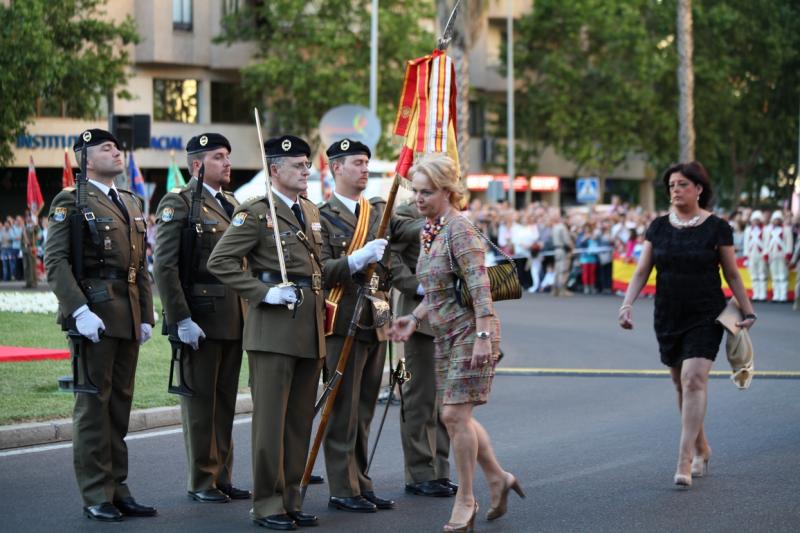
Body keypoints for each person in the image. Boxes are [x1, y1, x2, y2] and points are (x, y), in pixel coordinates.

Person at [390, 154, 524, 531]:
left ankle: (466, 501)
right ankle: (499, 478)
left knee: (451, 415)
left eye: (427, 192)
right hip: (447, 334)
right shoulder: (430, 230)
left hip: (472, 332)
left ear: (449, 191)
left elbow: (480, 287)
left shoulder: (459, 229)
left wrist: (483, 335)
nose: (419, 199)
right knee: (459, 415)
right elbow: (438, 292)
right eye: (416, 191)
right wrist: (412, 318)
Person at [207, 135, 324, 530]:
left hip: (308, 326)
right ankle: (267, 503)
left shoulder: (309, 210)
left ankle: (291, 498)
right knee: (271, 422)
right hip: (272, 327)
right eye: (298, 165)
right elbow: (220, 261)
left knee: (298, 422)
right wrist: (263, 293)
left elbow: (318, 270)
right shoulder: (256, 212)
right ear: (275, 170)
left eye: (307, 165)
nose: (306, 171)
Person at [618, 161, 756, 488]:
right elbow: (641, 271)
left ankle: (684, 458)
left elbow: (732, 273)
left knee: (695, 379)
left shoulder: (717, 227)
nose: (675, 190)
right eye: (672, 186)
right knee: (681, 384)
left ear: (698, 188)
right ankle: (702, 447)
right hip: (668, 313)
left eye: (682, 184)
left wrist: (747, 311)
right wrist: (626, 304)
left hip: (707, 313)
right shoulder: (658, 227)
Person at [44, 128, 156, 521]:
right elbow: (55, 263)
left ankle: (118, 487)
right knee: (94, 407)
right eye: (107, 148)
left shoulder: (129, 200)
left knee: (119, 407)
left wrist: (146, 315)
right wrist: (78, 311)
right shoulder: (70, 200)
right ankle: (96, 493)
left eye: (118, 147)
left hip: (126, 317)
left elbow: (139, 266)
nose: (117, 152)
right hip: (93, 315)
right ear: (87, 159)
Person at [153, 133, 249, 503]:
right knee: (200, 404)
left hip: (233, 317)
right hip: (200, 317)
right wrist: (180, 318)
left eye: (227, 156)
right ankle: (202, 479)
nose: (227, 163)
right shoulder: (179, 203)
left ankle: (223, 475)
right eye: (218, 157)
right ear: (197, 166)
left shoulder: (231, 202)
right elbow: (165, 266)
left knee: (225, 402)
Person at [318, 138, 395, 513]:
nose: (365, 169)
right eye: (357, 163)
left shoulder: (380, 212)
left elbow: (391, 266)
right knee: (342, 408)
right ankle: (341, 487)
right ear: (336, 168)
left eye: (367, 163)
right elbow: (318, 271)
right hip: (341, 321)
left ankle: (361, 482)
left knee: (364, 409)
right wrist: (354, 260)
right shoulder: (321, 216)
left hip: (373, 322)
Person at [390, 199, 456, 498]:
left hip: (450, 314)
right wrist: (415, 285)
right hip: (418, 314)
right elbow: (390, 254)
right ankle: (420, 471)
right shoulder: (407, 210)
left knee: (445, 400)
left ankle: (439, 469)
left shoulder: (455, 209)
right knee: (420, 396)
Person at [766, 210, 792, 302]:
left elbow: (789, 243)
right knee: (775, 276)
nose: (776, 221)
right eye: (775, 219)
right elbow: (766, 243)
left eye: (778, 219)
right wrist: (766, 254)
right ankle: (776, 295)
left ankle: (783, 295)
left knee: (783, 276)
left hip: (782, 255)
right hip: (773, 255)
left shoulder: (786, 229)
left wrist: (788, 255)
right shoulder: (768, 230)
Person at [743, 210, 768, 301]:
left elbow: (766, 242)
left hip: (761, 255)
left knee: (762, 275)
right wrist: (746, 256)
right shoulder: (748, 230)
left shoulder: (765, 229)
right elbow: (746, 243)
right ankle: (756, 294)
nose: (755, 221)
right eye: (754, 219)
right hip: (751, 255)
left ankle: (763, 294)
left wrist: (765, 254)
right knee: (754, 276)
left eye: (757, 220)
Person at [550, 211, 574, 296]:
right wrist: (572, 248)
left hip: (556, 249)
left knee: (557, 269)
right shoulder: (562, 227)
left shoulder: (555, 227)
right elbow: (567, 241)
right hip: (563, 250)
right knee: (563, 270)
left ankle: (554, 290)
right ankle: (562, 290)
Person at [21, 209, 39, 288]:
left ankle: (33, 283)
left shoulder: (33, 227)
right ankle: (28, 282)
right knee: (26, 267)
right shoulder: (24, 228)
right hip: (25, 249)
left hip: (31, 248)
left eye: (29, 216)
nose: (27, 218)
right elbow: (22, 239)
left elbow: (37, 230)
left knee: (32, 266)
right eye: (26, 217)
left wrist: (35, 222)